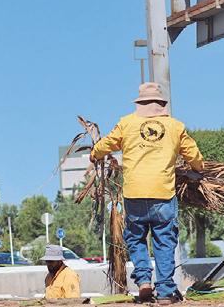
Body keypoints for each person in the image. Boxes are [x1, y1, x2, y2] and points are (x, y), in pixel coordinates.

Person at [90, 83, 204, 306]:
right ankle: (165, 292)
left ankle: (143, 280)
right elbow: (194, 155)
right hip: (163, 193)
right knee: (164, 241)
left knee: (135, 238)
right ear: (161, 104)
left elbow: (106, 145)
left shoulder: (126, 123)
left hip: (135, 193)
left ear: (140, 104)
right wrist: (199, 169)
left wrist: (95, 154)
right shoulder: (175, 126)